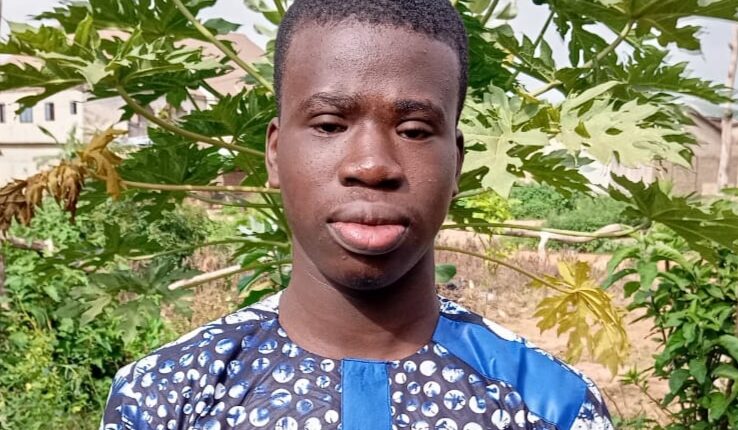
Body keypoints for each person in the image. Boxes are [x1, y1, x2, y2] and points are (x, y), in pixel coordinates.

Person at [101, 1, 613, 429]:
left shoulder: (552, 406)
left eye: (414, 130)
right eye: (329, 124)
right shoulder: (165, 398)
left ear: (456, 163)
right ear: (275, 153)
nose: (372, 165)